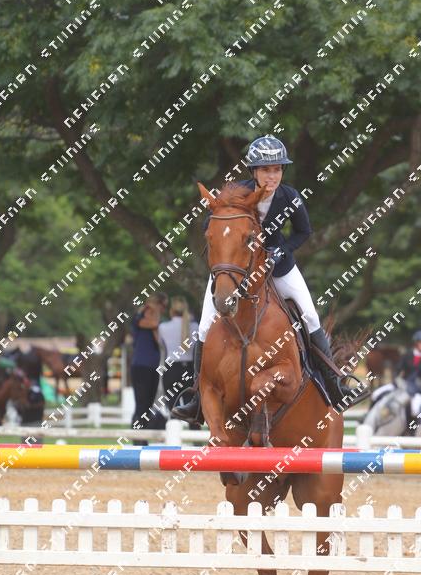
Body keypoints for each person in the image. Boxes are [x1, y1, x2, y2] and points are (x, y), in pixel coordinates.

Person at [174, 135, 365, 424]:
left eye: (277, 169)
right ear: (254, 171)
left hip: (279, 268)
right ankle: (197, 396)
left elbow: (304, 232)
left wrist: (281, 250)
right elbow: (211, 223)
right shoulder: (239, 194)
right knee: (203, 326)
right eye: (266, 170)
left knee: (310, 315)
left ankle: (335, 384)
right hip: (238, 272)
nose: (272, 176)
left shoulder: (289, 197)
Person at [130, 292, 168, 443]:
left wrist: (156, 315)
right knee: (141, 404)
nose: (164, 310)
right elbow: (151, 324)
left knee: (148, 405)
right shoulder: (139, 317)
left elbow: (159, 340)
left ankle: (143, 438)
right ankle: (137, 439)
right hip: (140, 366)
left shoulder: (158, 322)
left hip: (153, 366)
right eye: (163, 306)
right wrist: (151, 310)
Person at [158, 297, 198, 410]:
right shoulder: (195, 326)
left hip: (171, 369)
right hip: (189, 369)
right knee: (190, 409)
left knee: (172, 408)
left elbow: (161, 345)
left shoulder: (163, 327)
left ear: (171, 310)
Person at [393, 330, 421, 396]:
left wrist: (420, 385)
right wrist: (397, 379)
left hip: (417, 388)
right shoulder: (406, 355)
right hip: (402, 383)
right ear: (416, 342)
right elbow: (398, 369)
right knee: (379, 393)